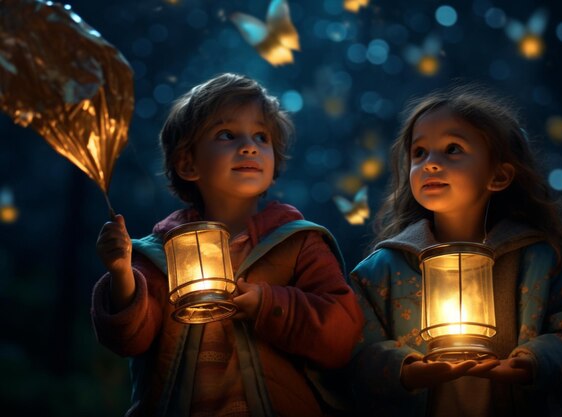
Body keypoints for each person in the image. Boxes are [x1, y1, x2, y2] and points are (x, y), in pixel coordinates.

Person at [92, 73, 364, 417]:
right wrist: (121, 273)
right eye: (227, 134)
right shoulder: (160, 253)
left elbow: (341, 337)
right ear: (188, 164)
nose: (249, 146)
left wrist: (268, 304)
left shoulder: (298, 243)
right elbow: (129, 340)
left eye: (261, 136)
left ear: (275, 161)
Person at [349, 84, 562, 416]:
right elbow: (356, 355)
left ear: (498, 174)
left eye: (452, 149)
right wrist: (405, 369)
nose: (430, 163)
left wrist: (530, 364)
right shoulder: (379, 272)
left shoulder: (542, 260)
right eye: (419, 152)